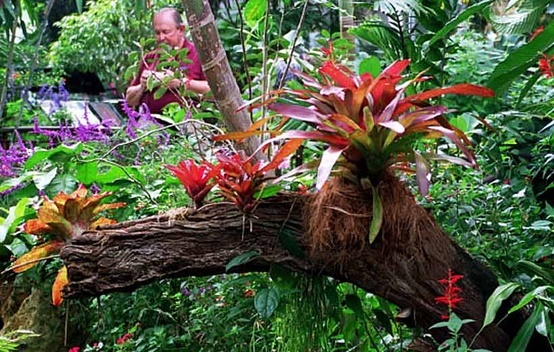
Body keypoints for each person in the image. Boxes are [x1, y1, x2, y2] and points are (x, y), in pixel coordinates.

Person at [125, 8, 210, 114]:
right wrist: (142, 86)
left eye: (166, 32)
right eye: (157, 33)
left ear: (181, 30)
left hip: (187, 124)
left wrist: (180, 82)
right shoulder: (150, 58)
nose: (161, 38)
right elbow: (129, 99)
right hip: (150, 124)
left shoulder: (198, 55)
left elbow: (213, 90)